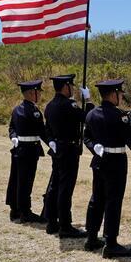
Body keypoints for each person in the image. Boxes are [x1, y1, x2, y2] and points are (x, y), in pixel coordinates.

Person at [83, 79, 131, 258]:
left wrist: (94, 148)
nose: (122, 97)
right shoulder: (119, 116)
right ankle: (111, 243)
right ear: (113, 94)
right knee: (113, 201)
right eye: (120, 94)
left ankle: (91, 238)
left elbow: (86, 137)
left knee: (97, 199)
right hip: (115, 162)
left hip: (99, 162)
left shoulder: (92, 114)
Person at [42, 74, 93, 237]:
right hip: (69, 151)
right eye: (71, 86)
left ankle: (51, 222)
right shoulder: (69, 105)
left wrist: (51, 141)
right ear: (65, 87)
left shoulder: (49, 106)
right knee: (65, 188)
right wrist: (89, 101)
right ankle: (65, 225)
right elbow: (88, 118)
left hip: (57, 149)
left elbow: (47, 129)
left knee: (54, 185)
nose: (73, 89)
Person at [6, 80, 50, 224]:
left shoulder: (17, 109)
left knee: (16, 179)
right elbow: (42, 131)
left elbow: (11, 128)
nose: (39, 95)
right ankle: (25, 212)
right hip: (29, 150)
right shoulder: (35, 111)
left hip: (19, 149)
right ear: (32, 93)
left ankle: (15, 210)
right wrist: (52, 143)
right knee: (25, 181)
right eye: (38, 92)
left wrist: (14, 138)